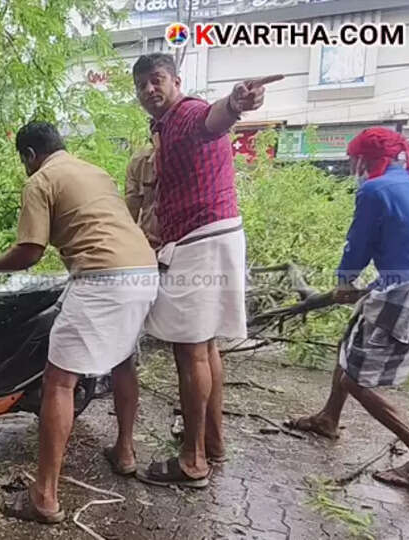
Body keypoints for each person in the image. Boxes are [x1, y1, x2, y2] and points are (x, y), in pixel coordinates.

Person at [0, 122, 158, 523]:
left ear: (29, 155)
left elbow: (29, 252)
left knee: (59, 381)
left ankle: (44, 498)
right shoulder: (94, 171)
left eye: (24, 162)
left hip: (102, 278)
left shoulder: (41, 180)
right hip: (143, 271)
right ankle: (124, 451)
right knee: (123, 361)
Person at [131, 53, 281, 488]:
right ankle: (213, 444)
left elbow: (214, 119)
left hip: (202, 239)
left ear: (175, 80)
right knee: (206, 347)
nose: (148, 91)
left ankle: (192, 461)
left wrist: (236, 102)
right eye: (141, 85)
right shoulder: (163, 128)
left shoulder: (187, 113)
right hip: (213, 234)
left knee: (190, 350)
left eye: (156, 80)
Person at [286, 128, 409, 488]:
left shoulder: (374, 189)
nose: (353, 166)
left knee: (357, 379)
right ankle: (328, 418)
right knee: (348, 344)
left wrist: (344, 282)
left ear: (364, 159)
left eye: (354, 159)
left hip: (407, 292)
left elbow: (358, 243)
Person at [124, 132, 160, 248]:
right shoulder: (139, 161)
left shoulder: (192, 157)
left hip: (183, 240)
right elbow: (131, 205)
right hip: (150, 243)